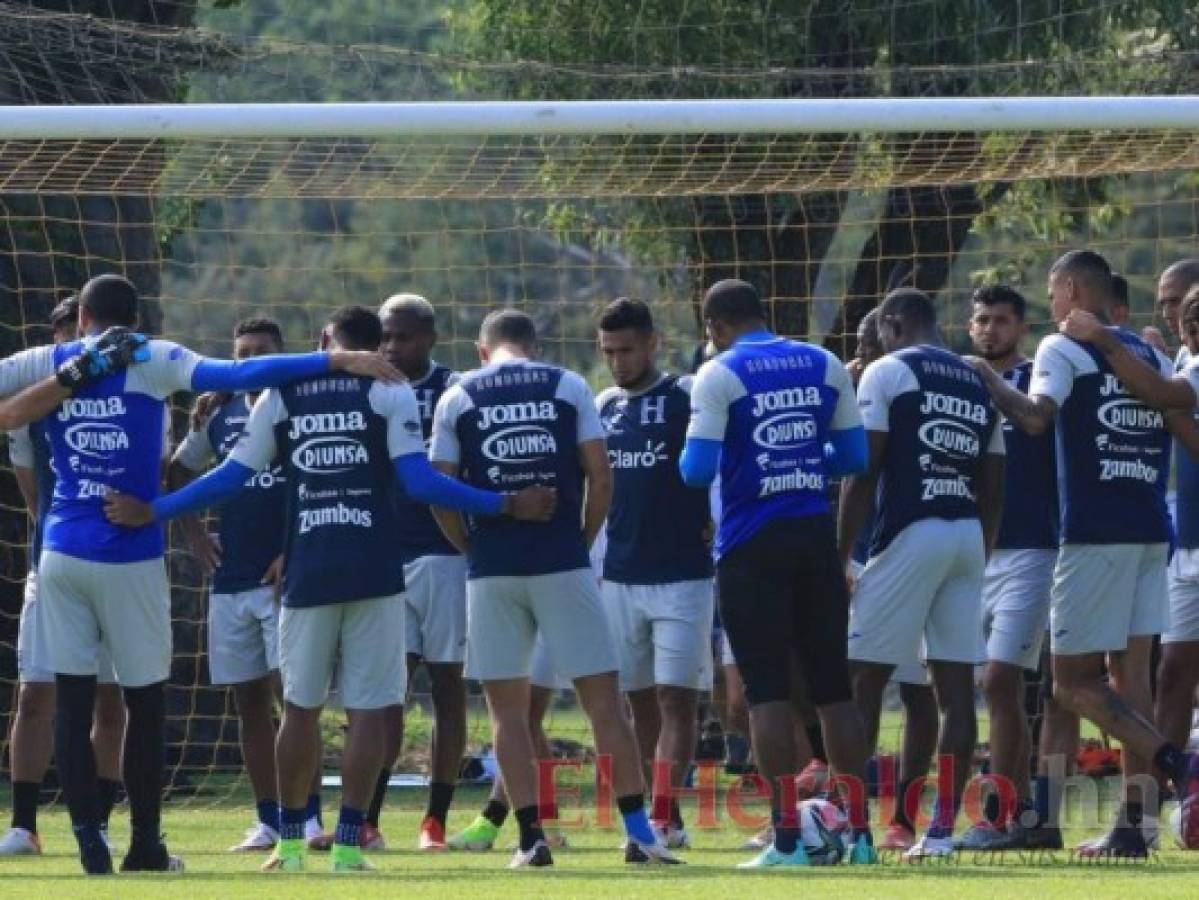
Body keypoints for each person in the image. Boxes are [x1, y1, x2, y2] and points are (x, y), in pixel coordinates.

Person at [104, 305, 556, 874]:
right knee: (369, 712)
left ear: (325, 341)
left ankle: (289, 845)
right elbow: (419, 482)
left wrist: (157, 512)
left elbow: (230, 476)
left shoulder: (284, 396)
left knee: (299, 710)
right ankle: (346, 845)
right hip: (375, 572)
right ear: (375, 350)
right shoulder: (389, 391)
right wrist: (503, 505)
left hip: (308, 573)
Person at [0, 275, 401, 875]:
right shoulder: (153, 356)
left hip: (58, 551)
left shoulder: (47, 359)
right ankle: (144, 844)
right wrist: (336, 358)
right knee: (144, 703)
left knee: (73, 698)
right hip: (129, 553)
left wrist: (66, 381)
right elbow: (240, 376)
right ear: (134, 319)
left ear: (80, 316)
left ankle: (87, 838)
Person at [430, 308, 677, 868]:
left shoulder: (457, 395)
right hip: (563, 562)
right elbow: (603, 475)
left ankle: (529, 839)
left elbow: (438, 490)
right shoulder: (568, 385)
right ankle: (639, 835)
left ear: (482, 349)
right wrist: (581, 539)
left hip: (492, 569)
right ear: (534, 346)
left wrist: (472, 547)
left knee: (508, 714)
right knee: (604, 707)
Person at [977, 249, 1192, 857]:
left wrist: (986, 378)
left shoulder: (1059, 348)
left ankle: (1185, 765)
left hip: (1093, 534)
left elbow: (1037, 418)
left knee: (1071, 683)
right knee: (1130, 680)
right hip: (1152, 528)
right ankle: (1134, 826)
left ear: (1070, 289)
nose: (1051, 304)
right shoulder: (1147, 351)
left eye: (1051, 291)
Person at [680, 278, 877, 868]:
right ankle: (862, 836)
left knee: (766, 692)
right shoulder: (821, 363)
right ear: (764, 314)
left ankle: (788, 839)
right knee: (833, 692)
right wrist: (803, 455)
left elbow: (695, 470)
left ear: (713, 328)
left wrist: (755, 456)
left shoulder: (719, 374)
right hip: (815, 540)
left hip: (750, 547)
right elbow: (856, 459)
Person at [839, 287, 1006, 860]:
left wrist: (838, 555)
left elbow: (863, 471)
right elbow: (994, 482)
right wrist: (978, 552)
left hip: (913, 531)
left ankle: (853, 826)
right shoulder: (976, 379)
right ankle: (937, 834)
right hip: (965, 535)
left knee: (861, 677)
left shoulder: (889, 371)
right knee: (956, 693)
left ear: (892, 325)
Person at [169, 316, 327, 853]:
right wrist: (192, 532)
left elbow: (322, 482)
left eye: (261, 351)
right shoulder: (215, 409)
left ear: (281, 355)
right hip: (230, 578)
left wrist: (296, 546)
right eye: (242, 352)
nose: (251, 360)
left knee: (297, 702)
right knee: (249, 703)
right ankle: (267, 820)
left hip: (287, 580)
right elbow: (178, 471)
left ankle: (306, 817)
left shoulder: (302, 404)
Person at [1, 296, 126, 857]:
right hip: (50, 566)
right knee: (36, 694)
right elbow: (32, 495)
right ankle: (24, 824)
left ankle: (96, 820)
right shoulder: (32, 410)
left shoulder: (132, 395)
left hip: (119, 567)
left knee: (110, 701)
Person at [594, 298, 714, 849]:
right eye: (609, 352)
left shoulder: (686, 396)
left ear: (652, 344)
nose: (618, 361)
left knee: (675, 700)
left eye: (626, 349)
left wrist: (719, 517)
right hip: (620, 575)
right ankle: (651, 818)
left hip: (684, 574)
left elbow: (723, 458)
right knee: (638, 702)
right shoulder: (603, 405)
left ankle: (663, 815)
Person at [954, 285, 1060, 851]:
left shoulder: (1038, 382)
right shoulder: (960, 390)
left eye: (1000, 321)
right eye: (980, 321)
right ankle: (1016, 815)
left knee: (1002, 681)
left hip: (1032, 550)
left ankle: (1000, 810)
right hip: (974, 553)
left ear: (1020, 327)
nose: (989, 330)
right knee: (980, 686)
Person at [363, 293, 469, 853]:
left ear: (430, 337)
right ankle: (370, 818)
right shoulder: (373, 386)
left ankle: (436, 820)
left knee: (448, 689)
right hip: (385, 558)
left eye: (403, 337)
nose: (392, 346)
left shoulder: (457, 389)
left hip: (446, 558)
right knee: (386, 693)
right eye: (385, 336)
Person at [845, 307, 939, 853]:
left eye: (870, 340)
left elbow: (865, 475)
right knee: (858, 682)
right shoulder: (853, 388)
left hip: (893, 551)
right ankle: (848, 808)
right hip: (864, 553)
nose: (863, 354)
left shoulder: (899, 387)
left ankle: (900, 816)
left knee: (908, 682)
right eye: (858, 344)